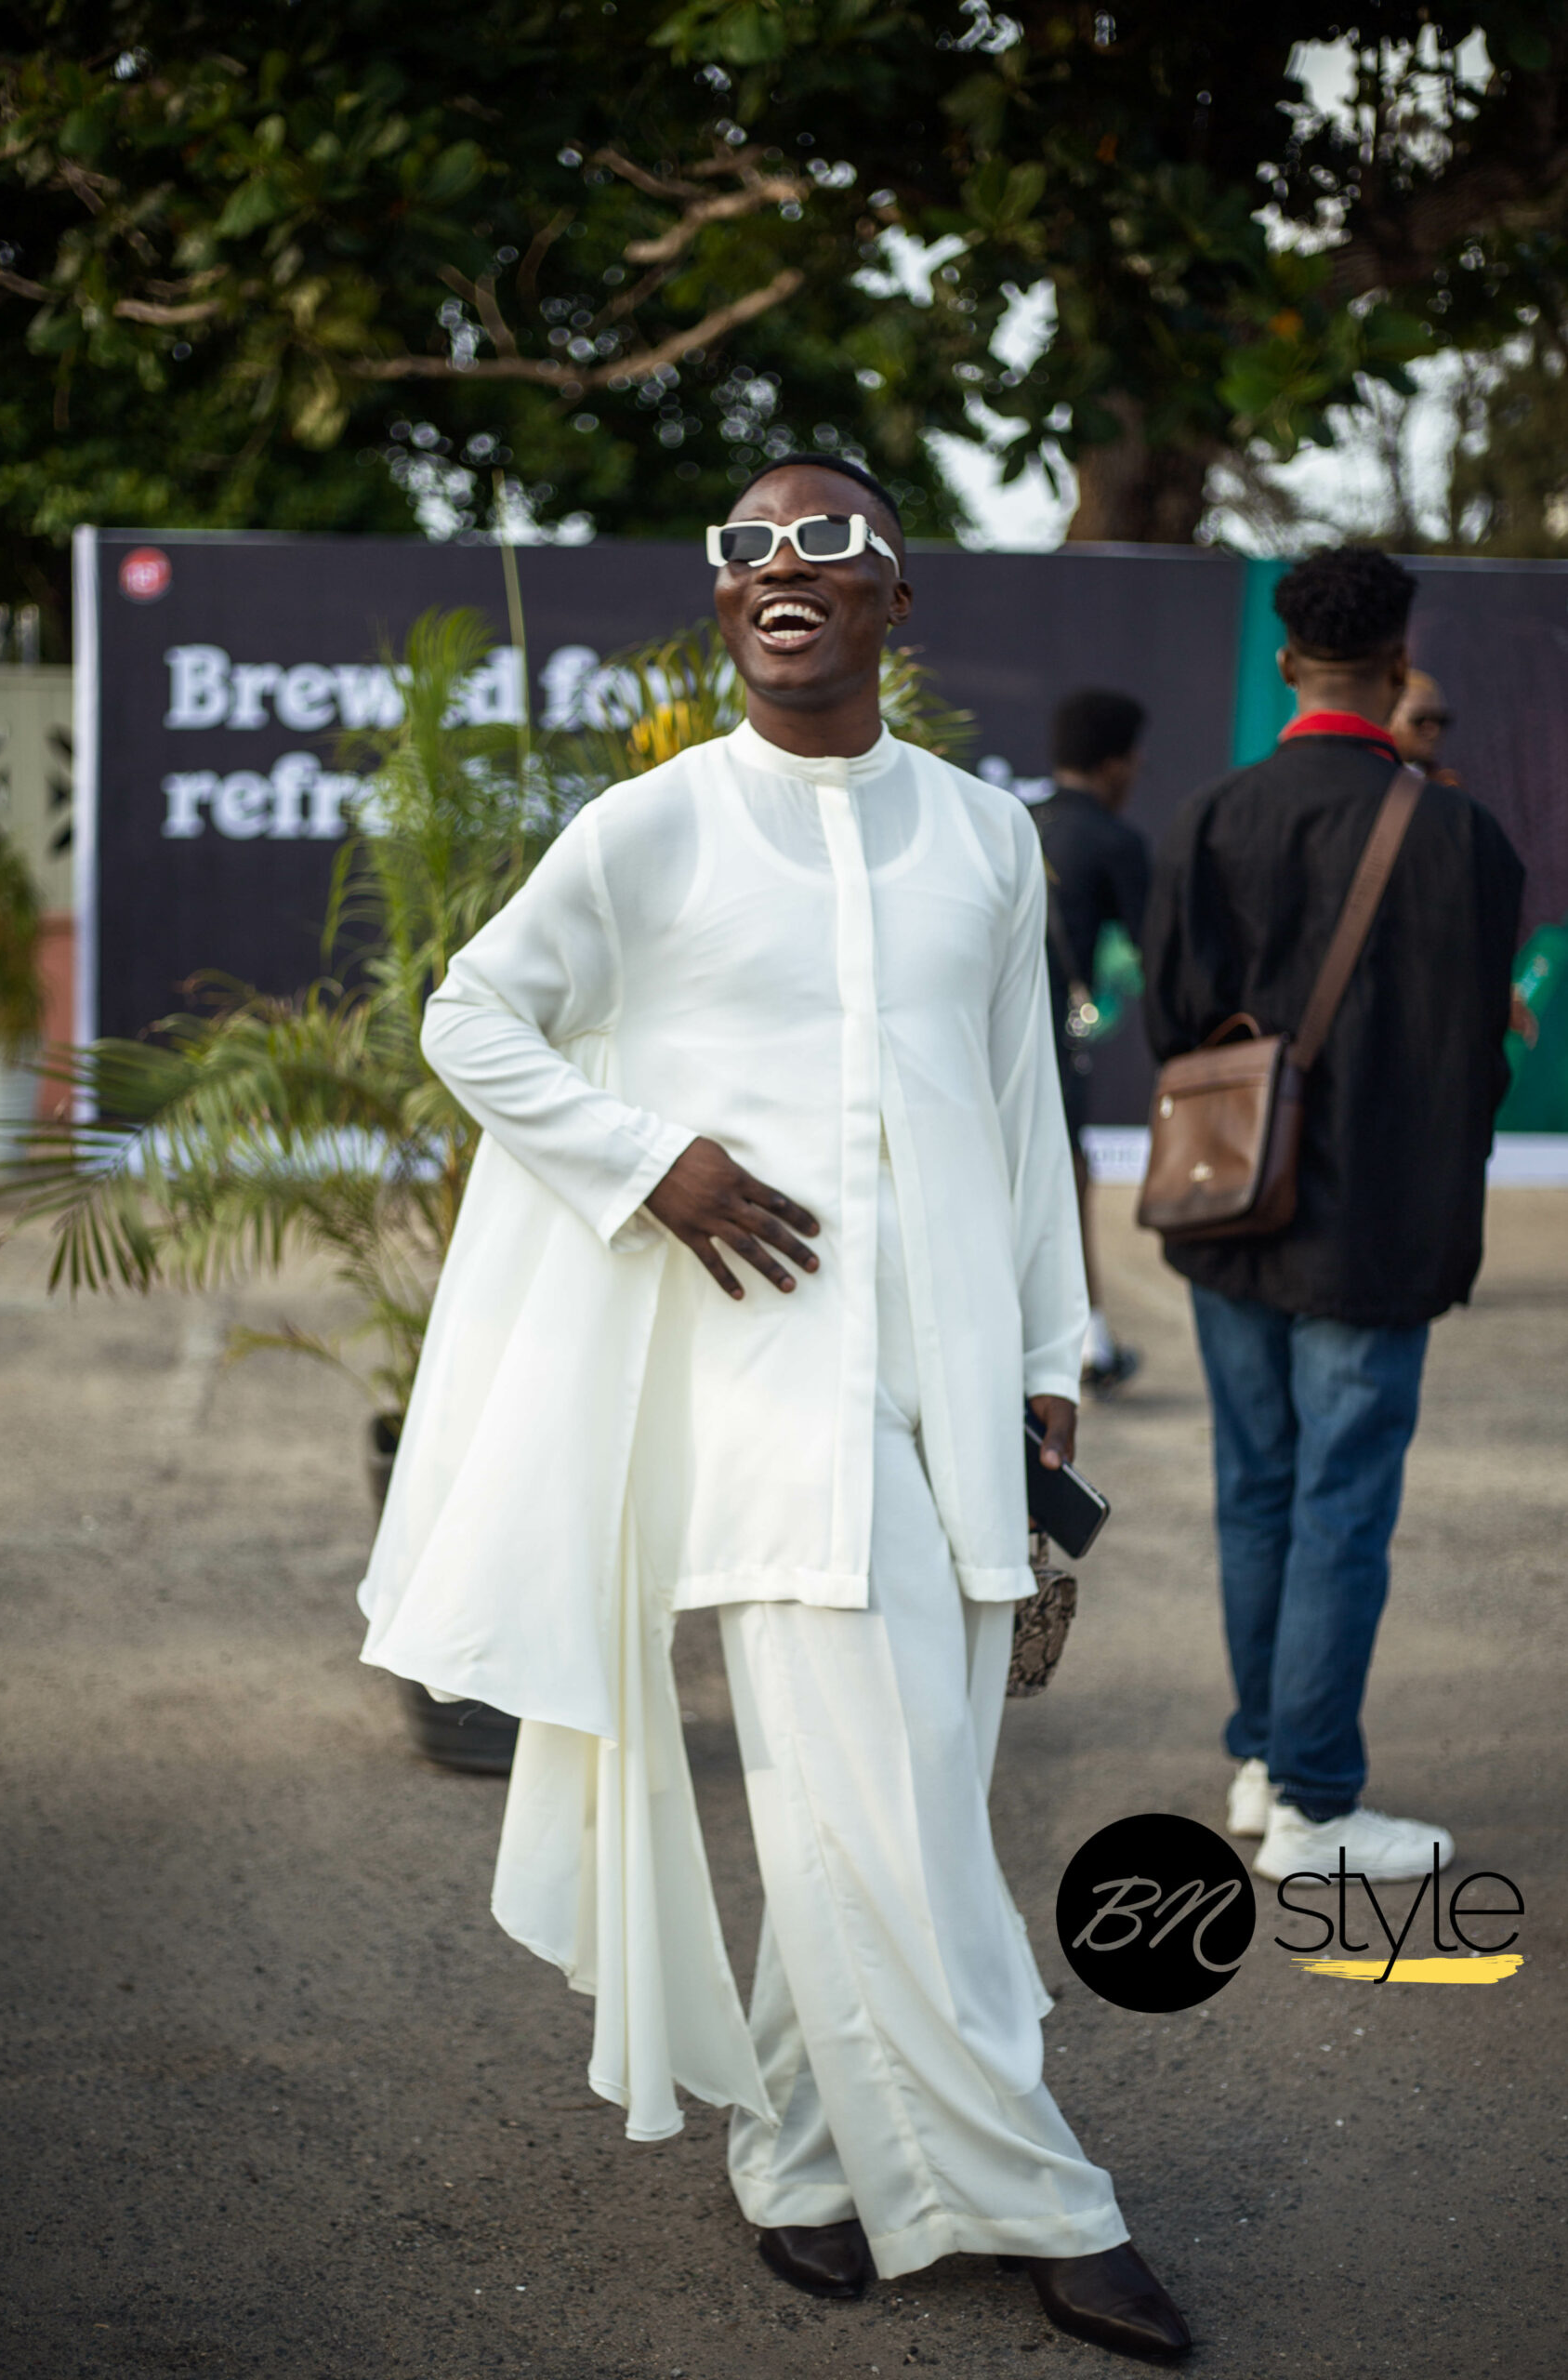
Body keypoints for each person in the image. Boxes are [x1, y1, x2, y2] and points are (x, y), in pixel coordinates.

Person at [360, 454, 1191, 2362]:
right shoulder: (649, 827)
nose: (778, 563)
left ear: (896, 597)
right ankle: (1048, 2200)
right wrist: (646, 1159)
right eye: (745, 545)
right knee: (887, 1814)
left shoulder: (984, 837)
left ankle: (803, 2156)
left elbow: (1015, 1107)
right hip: (758, 1402)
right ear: (726, 600)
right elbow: (470, 1014)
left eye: (825, 539)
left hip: (951, 1394)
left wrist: (1045, 1359)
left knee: (889, 1789)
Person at [1141, 546, 1523, 1887]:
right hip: (1378, 1229)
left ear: (1284, 662)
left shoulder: (1206, 817)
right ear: (1399, 662)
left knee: (1255, 1488)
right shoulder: (1463, 838)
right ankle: (1312, 1802)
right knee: (1339, 1506)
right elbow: (1476, 1057)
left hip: (1231, 1206)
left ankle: (1264, 1760)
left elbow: (1167, 1020)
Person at [1034, 690, 1152, 1395]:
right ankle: (1088, 1344)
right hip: (1049, 1044)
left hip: (980, 1040)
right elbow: (1155, 948)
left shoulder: (1015, 822)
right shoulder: (1113, 840)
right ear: (1115, 764)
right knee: (1069, 1181)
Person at [1390, 668, 1460, 782]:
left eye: (1441, 721)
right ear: (1389, 719)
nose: (1434, 732)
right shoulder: (1366, 777)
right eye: (1421, 721)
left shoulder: (1443, 783)